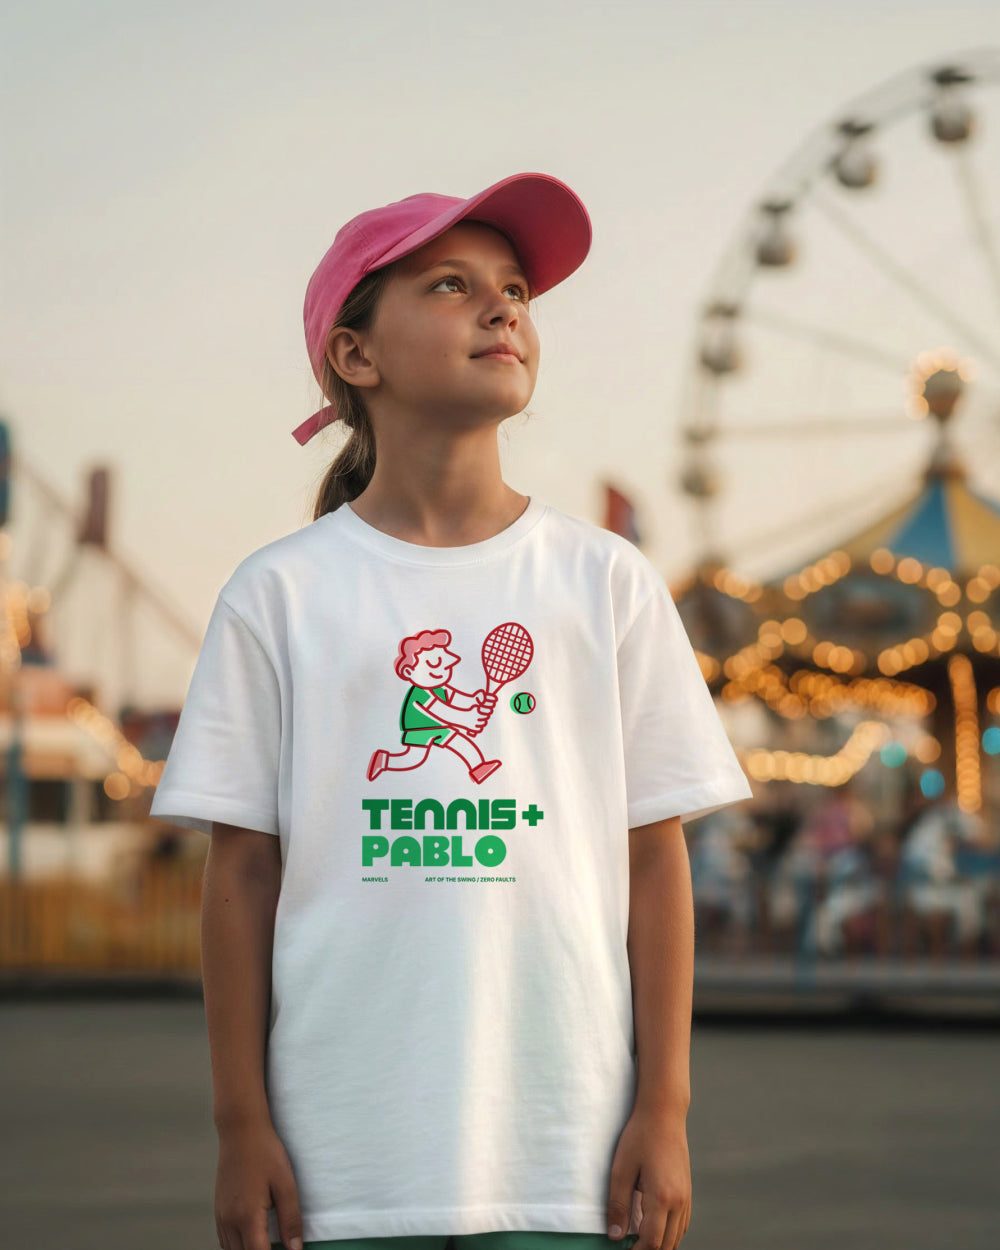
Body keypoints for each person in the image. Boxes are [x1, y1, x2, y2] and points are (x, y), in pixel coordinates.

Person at [149, 171, 754, 1250]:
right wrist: (241, 1124)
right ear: (356, 355)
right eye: (449, 283)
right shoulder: (280, 593)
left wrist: (664, 1109)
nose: (504, 306)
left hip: (564, 1158)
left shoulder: (605, 581)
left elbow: (653, 861)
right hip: (340, 1163)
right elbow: (240, 874)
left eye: (515, 287)